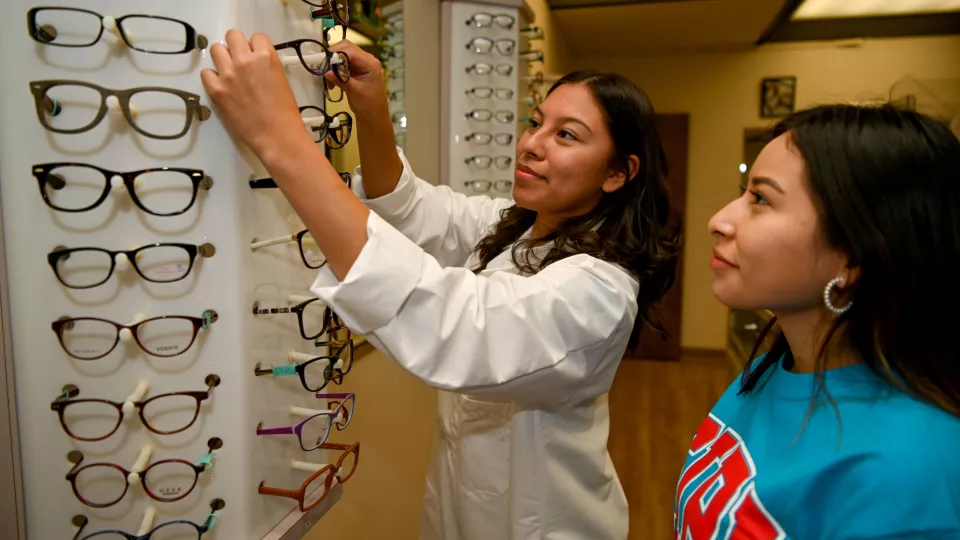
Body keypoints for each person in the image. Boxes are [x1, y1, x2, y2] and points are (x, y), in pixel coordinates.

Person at [201, 31, 681, 538]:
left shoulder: (599, 291)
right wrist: (372, 112)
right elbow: (412, 211)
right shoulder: (514, 224)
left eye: (567, 135)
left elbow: (460, 328)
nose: (532, 145)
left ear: (616, 174)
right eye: (536, 122)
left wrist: (280, 138)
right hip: (459, 509)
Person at [676, 104, 960, 539]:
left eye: (761, 199)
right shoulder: (777, 366)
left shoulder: (904, 471)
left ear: (851, 256)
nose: (719, 220)